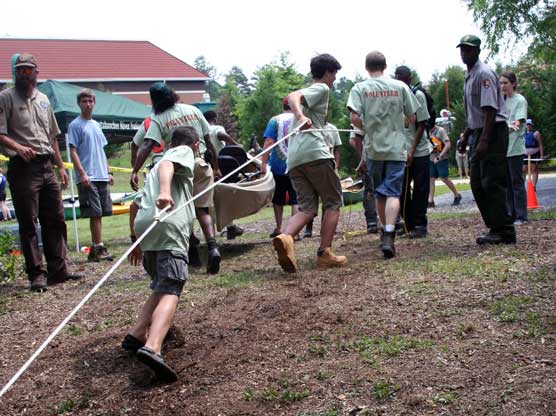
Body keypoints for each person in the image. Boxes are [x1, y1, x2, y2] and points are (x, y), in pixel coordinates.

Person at [0, 53, 82, 292]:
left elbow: (53, 137)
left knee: (56, 218)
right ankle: (36, 273)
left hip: (47, 166)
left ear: (36, 73)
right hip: (23, 167)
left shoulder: (44, 99)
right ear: (15, 73)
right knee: (28, 222)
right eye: (21, 70)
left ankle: (59, 269)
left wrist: (60, 167)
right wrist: (17, 147)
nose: (25, 74)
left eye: (29, 70)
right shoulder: (5, 98)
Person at [123, 126, 197, 382]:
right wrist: (166, 193)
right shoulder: (181, 152)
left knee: (161, 285)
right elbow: (169, 164)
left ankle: (137, 334)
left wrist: (136, 239)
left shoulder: (153, 169)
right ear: (195, 145)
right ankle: (153, 346)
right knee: (171, 288)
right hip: (168, 226)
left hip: (148, 227)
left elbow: (135, 204)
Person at [131, 82, 221, 274]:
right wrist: (215, 166)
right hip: (201, 164)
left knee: (181, 211)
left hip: (176, 169)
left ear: (154, 101)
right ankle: (212, 247)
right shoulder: (193, 110)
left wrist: (134, 170)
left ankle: (192, 251)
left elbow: (146, 145)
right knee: (202, 209)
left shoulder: (157, 117)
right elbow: (208, 139)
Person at [272, 53, 347, 272]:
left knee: (307, 208)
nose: (334, 80)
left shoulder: (319, 91)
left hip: (295, 159)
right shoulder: (322, 88)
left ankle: (286, 238)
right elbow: (294, 95)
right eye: (334, 75)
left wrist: (302, 116)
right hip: (315, 154)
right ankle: (325, 253)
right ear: (327, 72)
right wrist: (301, 115)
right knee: (333, 201)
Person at [348, 51, 420, 258]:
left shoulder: (360, 88)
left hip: (374, 149)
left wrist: (368, 126)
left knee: (380, 192)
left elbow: (354, 118)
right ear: (385, 65)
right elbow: (412, 116)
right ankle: (389, 231)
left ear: (366, 67)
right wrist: (400, 123)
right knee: (394, 192)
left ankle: (383, 230)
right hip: (396, 147)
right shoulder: (400, 87)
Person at [457, 35, 515, 245]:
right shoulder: (469, 75)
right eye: (462, 49)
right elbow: (475, 113)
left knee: (492, 181)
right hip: (479, 131)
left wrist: (484, 140)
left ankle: (504, 230)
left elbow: (490, 110)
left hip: (493, 131)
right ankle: (495, 226)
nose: (465, 53)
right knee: (477, 182)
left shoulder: (483, 74)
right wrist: (466, 135)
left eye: (469, 49)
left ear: (478, 51)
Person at [68, 89, 114, 262]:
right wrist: (82, 173)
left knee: (102, 212)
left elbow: (102, 150)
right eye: (84, 101)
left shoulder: (96, 124)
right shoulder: (75, 125)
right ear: (79, 104)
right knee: (94, 212)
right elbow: (72, 150)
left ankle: (97, 249)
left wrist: (108, 171)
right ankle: (97, 247)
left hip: (101, 174)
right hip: (88, 175)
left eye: (90, 101)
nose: (88, 104)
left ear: (94, 103)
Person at [395, 65, 431, 239]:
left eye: (402, 78)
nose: (399, 81)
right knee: (402, 189)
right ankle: (408, 223)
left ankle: (420, 224)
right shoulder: (396, 98)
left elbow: (422, 124)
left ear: (409, 78)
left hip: (420, 151)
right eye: (396, 78)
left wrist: (412, 149)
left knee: (420, 188)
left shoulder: (418, 95)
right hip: (401, 152)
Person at [202, 110, 244, 240]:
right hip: (221, 167)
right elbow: (221, 135)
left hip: (206, 166)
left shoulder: (201, 128)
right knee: (226, 196)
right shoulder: (216, 128)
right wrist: (236, 144)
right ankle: (230, 226)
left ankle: (213, 232)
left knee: (210, 200)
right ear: (215, 118)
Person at [261, 98, 299, 238]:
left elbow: (269, 141)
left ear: (283, 106)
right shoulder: (299, 119)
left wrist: (263, 163)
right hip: (297, 164)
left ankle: (279, 228)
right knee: (296, 198)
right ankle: (294, 230)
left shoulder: (275, 120)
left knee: (278, 199)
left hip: (278, 166)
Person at [304, 120, 342, 238]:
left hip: (329, 165)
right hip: (315, 165)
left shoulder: (332, 128)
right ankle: (308, 228)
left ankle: (325, 228)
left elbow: (337, 149)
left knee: (329, 199)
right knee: (312, 198)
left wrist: (336, 165)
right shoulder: (311, 127)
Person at [500, 71, 528, 224]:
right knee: (506, 184)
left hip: (515, 148)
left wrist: (513, 125)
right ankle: (511, 214)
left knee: (516, 182)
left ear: (513, 84)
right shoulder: (501, 101)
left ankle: (521, 216)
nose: (502, 86)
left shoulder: (519, 100)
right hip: (503, 148)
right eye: (501, 83)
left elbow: (518, 122)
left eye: (505, 83)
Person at [350, 126, 379, 233]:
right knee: (370, 190)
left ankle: (389, 222)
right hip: (369, 159)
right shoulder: (360, 113)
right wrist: (362, 157)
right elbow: (353, 140)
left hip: (386, 156)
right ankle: (372, 222)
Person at [428, 124, 462, 208]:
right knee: (431, 178)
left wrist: (440, 157)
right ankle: (430, 201)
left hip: (441, 159)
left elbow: (448, 144)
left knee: (444, 178)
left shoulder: (440, 130)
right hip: (430, 158)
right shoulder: (426, 131)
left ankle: (457, 195)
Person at [523, 119, 544, 189]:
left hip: (534, 153)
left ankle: (534, 185)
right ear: (525, 125)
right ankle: (521, 186)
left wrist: (542, 155)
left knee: (534, 169)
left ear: (532, 125)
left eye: (529, 124)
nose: (528, 126)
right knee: (523, 169)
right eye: (527, 124)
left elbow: (540, 144)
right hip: (525, 154)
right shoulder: (523, 133)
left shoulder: (536, 133)